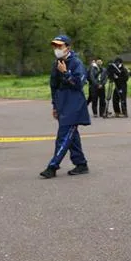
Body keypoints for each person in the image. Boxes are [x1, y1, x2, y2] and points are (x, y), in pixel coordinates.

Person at [40, 35, 91, 178]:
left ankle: (52, 166)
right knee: (71, 137)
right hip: (62, 104)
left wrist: (65, 73)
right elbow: (54, 86)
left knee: (63, 136)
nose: (57, 49)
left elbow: (79, 84)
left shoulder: (76, 63)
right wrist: (55, 106)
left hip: (74, 105)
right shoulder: (56, 63)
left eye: (60, 46)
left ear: (67, 47)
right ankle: (81, 164)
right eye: (55, 46)